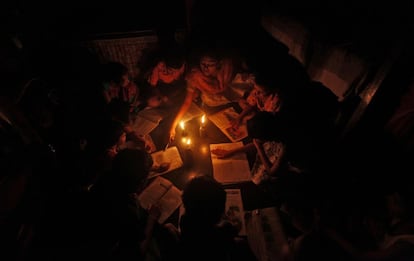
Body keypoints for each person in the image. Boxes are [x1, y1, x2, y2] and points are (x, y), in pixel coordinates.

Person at [165, 175, 255, 261]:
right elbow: (233, 229)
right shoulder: (223, 233)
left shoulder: (184, 221)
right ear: (219, 214)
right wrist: (235, 224)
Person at [168, 47, 235, 142]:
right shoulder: (195, 77)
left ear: (218, 64)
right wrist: (173, 126)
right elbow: (187, 102)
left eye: (210, 64)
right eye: (203, 64)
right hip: (211, 111)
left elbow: (234, 93)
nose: (205, 68)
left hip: (229, 109)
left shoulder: (226, 74)